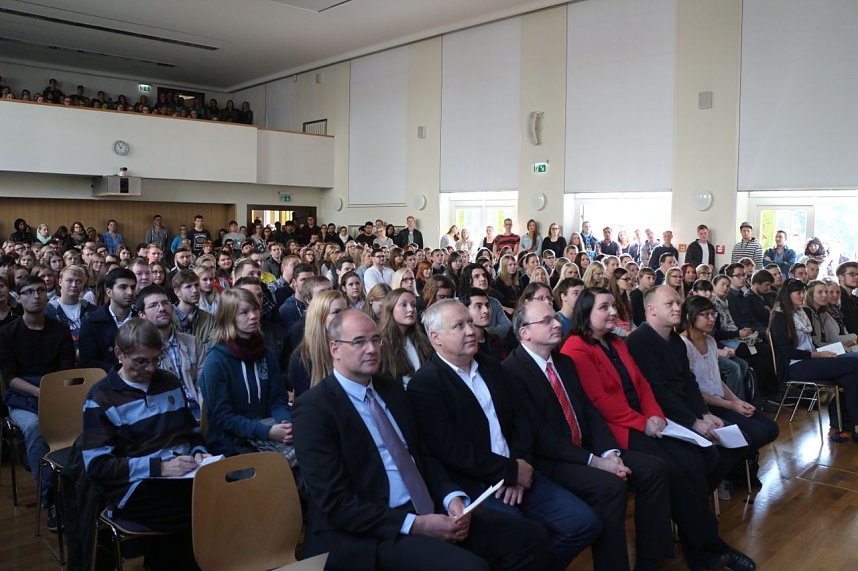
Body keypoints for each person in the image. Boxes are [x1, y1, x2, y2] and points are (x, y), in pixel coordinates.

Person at [292, 309, 549, 571]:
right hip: (372, 530)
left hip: (427, 507)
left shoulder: (390, 389)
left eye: (376, 340)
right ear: (335, 348)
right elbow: (336, 503)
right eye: (359, 342)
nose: (371, 349)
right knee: (472, 567)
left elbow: (422, 455)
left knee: (530, 537)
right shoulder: (314, 410)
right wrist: (417, 525)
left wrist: (451, 497)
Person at [560, 288, 756, 571]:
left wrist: (653, 414)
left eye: (613, 306)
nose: (613, 312)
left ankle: (700, 548)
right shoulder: (576, 347)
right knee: (673, 471)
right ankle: (709, 549)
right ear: (585, 312)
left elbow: (642, 384)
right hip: (615, 430)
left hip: (645, 420)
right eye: (604, 307)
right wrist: (644, 422)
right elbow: (601, 403)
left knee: (698, 458)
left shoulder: (615, 342)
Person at [408, 299, 602, 571]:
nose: (471, 331)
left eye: (470, 323)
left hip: (518, 469)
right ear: (436, 337)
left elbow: (522, 418)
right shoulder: (425, 385)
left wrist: (520, 465)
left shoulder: (490, 366)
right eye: (459, 326)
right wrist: (509, 472)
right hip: (478, 485)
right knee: (527, 537)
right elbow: (451, 449)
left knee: (584, 524)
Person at [504, 300, 672, 571]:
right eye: (546, 321)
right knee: (610, 487)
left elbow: (589, 412)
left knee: (654, 469)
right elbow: (542, 438)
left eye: (555, 318)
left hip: (586, 448)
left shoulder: (563, 362)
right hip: (551, 460)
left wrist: (610, 453)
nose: (557, 324)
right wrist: (596, 462)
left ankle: (649, 561)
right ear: (525, 332)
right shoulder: (512, 371)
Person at [81, 319, 205, 570]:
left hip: (182, 474)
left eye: (155, 360)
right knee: (198, 512)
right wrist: (161, 468)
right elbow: (98, 467)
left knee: (224, 495)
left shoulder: (168, 381)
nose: (150, 368)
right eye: (140, 361)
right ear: (119, 354)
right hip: (136, 485)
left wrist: (200, 453)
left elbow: (191, 431)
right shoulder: (101, 397)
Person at [625, 287, 748, 492]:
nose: (677, 308)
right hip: (664, 416)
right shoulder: (639, 341)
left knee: (738, 442)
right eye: (669, 304)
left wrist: (704, 413)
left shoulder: (675, 340)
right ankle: (691, 499)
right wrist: (693, 421)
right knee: (707, 455)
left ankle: (698, 495)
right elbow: (657, 391)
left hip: (685, 410)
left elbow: (689, 382)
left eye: (678, 303)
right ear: (651, 309)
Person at [680, 295, 778, 487]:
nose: (711, 319)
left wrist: (737, 401)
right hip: (704, 407)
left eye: (713, 314)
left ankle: (739, 467)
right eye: (705, 315)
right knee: (755, 433)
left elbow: (716, 380)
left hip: (721, 401)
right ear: (690, 316)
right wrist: (730, 405)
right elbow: (693, 390)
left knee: (771, 428)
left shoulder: (710, 341)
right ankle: (732, 473)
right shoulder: (683, 344)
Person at [1, 275, 74, 523]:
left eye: (41, 291)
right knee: (35, 428)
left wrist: (54, 394)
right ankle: (50, 496)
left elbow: (67, 370)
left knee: (85, 424)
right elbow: (10, 378)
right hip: (24, 395)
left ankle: (80, 492)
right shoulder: (8, 332)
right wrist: (40, 393)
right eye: (30, 292)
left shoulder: (60, 329)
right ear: (19, 298)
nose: (36, 296)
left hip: (58, 392)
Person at [200, 288, 292, 456]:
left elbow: (278, 400)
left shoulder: (266, 354)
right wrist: (266, 432)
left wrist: (287, 424)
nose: (254, 316)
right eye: (244, 312)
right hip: (232, 441)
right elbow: (223, 417)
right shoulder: (216, 360)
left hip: (269, 428)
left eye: (255, 309)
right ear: (229, 317)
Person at [769, 279, 858, 441]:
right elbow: (787, 351)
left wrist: (821, 352)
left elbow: (810, 345)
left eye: (803, 292)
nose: (802, 295)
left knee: (851, 378)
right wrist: (817, 355)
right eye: (798, 293)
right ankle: (843, 424)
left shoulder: (801, 313)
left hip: (810, 359)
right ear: (787, 295)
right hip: (795, 366)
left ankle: (850, 426)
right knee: (855, 362)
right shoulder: (779, 316)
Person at [136, 285, 206, 419]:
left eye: (165, 303)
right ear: (142, 315)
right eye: (153, 305)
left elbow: (203, 384)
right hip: (165, 416)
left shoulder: (193, 342)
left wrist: (205, 417)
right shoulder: (139, 351)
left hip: (197, 409)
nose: (161, 308)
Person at [287, 290, 344, 397]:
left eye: (346, 310)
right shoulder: (302, 358)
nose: (344, 316)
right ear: (320, 317)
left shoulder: (352, 347)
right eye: (336, 312)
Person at [79, 268, 136, 372]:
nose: (130, 292)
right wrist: (122, 370)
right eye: (123, 287)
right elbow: (88, 363)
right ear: (109, 292)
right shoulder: (91, 322)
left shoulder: (141, 319)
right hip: (106, 378)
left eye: (133, 287)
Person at [378, 288, 433, 387]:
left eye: (413, 305)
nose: (411, 309)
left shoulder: (422, 340)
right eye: (404, 305)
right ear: (390, 308)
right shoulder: (381, 345)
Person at [172, 270, 215, 344]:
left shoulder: (209, 319)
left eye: (197, 285)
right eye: (188, 286)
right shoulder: (167, 318)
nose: (195, 290)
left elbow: (213, 347)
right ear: (177, 292)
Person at [836, 261, 858, 335]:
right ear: (841, 277)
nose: (856, 277)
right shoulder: (836, 298)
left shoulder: (855, 299)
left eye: (857, 274)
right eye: (852, 274)